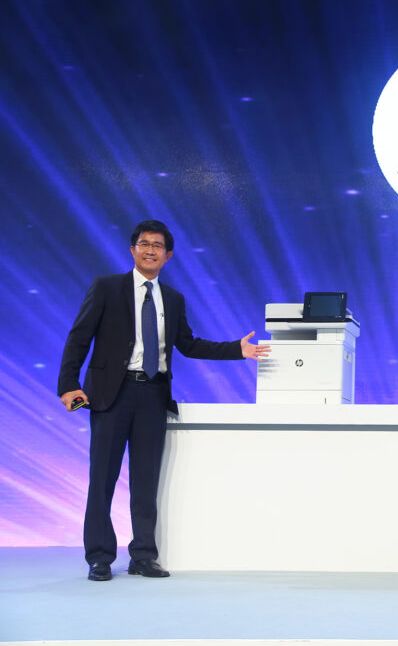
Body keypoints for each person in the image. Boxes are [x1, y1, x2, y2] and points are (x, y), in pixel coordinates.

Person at [57, 220, 270, 581]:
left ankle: (143, 555)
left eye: (157, 246)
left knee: (146, 480)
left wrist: (237, 349)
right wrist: (68, 385)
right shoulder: (106, 287)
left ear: (168, 256)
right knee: (102, 478)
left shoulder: (172, 299)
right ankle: (99, 557)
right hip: (110, 395)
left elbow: (188, 344)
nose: (150, 250)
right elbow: (79, 337)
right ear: (132, 250)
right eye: (144, 244)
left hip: (153, 395)